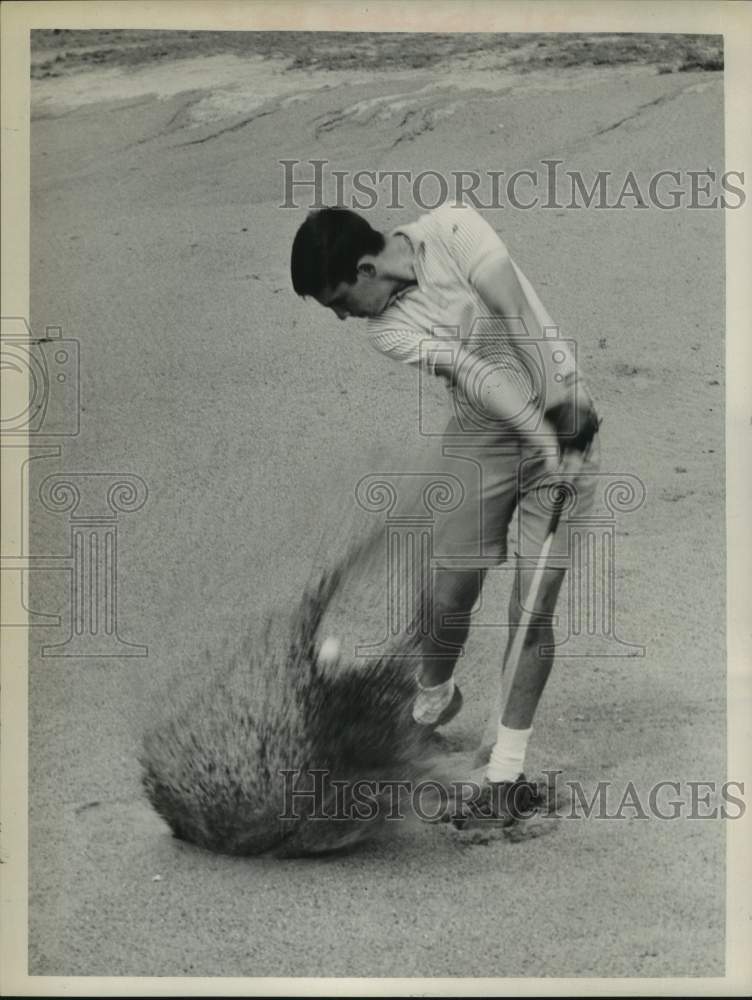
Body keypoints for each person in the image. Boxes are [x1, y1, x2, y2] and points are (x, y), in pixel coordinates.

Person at [290, 199, 600, 820]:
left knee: (532, 606)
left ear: (367, 267)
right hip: (484, 431)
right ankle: (433, 700)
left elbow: (514, 315)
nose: (346, 318)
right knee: (448, 590)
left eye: (341, 301)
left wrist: (563, 406)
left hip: (565, 412)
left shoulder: (454, 228)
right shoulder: (387, 330)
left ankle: (506, 770)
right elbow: (477, 373)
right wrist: (542, 435)